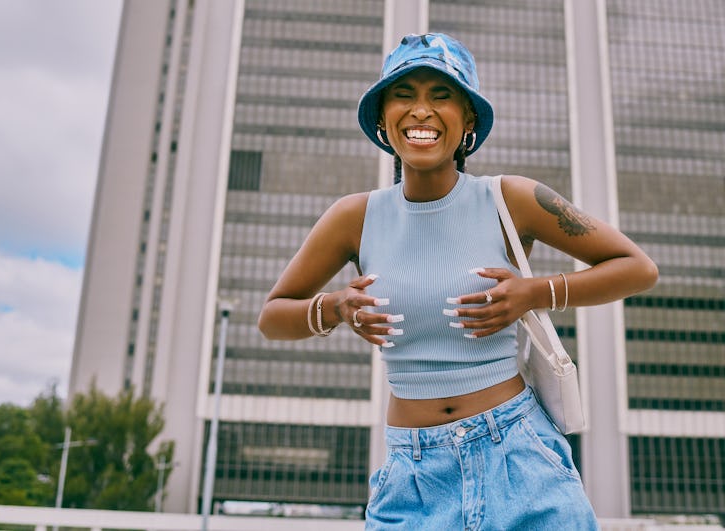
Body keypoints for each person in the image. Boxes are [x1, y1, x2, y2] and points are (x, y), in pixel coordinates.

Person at [258, 33, 658, 530]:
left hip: (521, 463)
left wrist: (535, 292)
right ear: (382, 119)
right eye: (404, 94)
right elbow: (272, 317)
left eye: (441, 95)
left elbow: (637, 267)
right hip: (414, 480)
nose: (421, 110)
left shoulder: (510, 198)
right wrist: (335, 308)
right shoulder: (353, 218)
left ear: (468, 120)